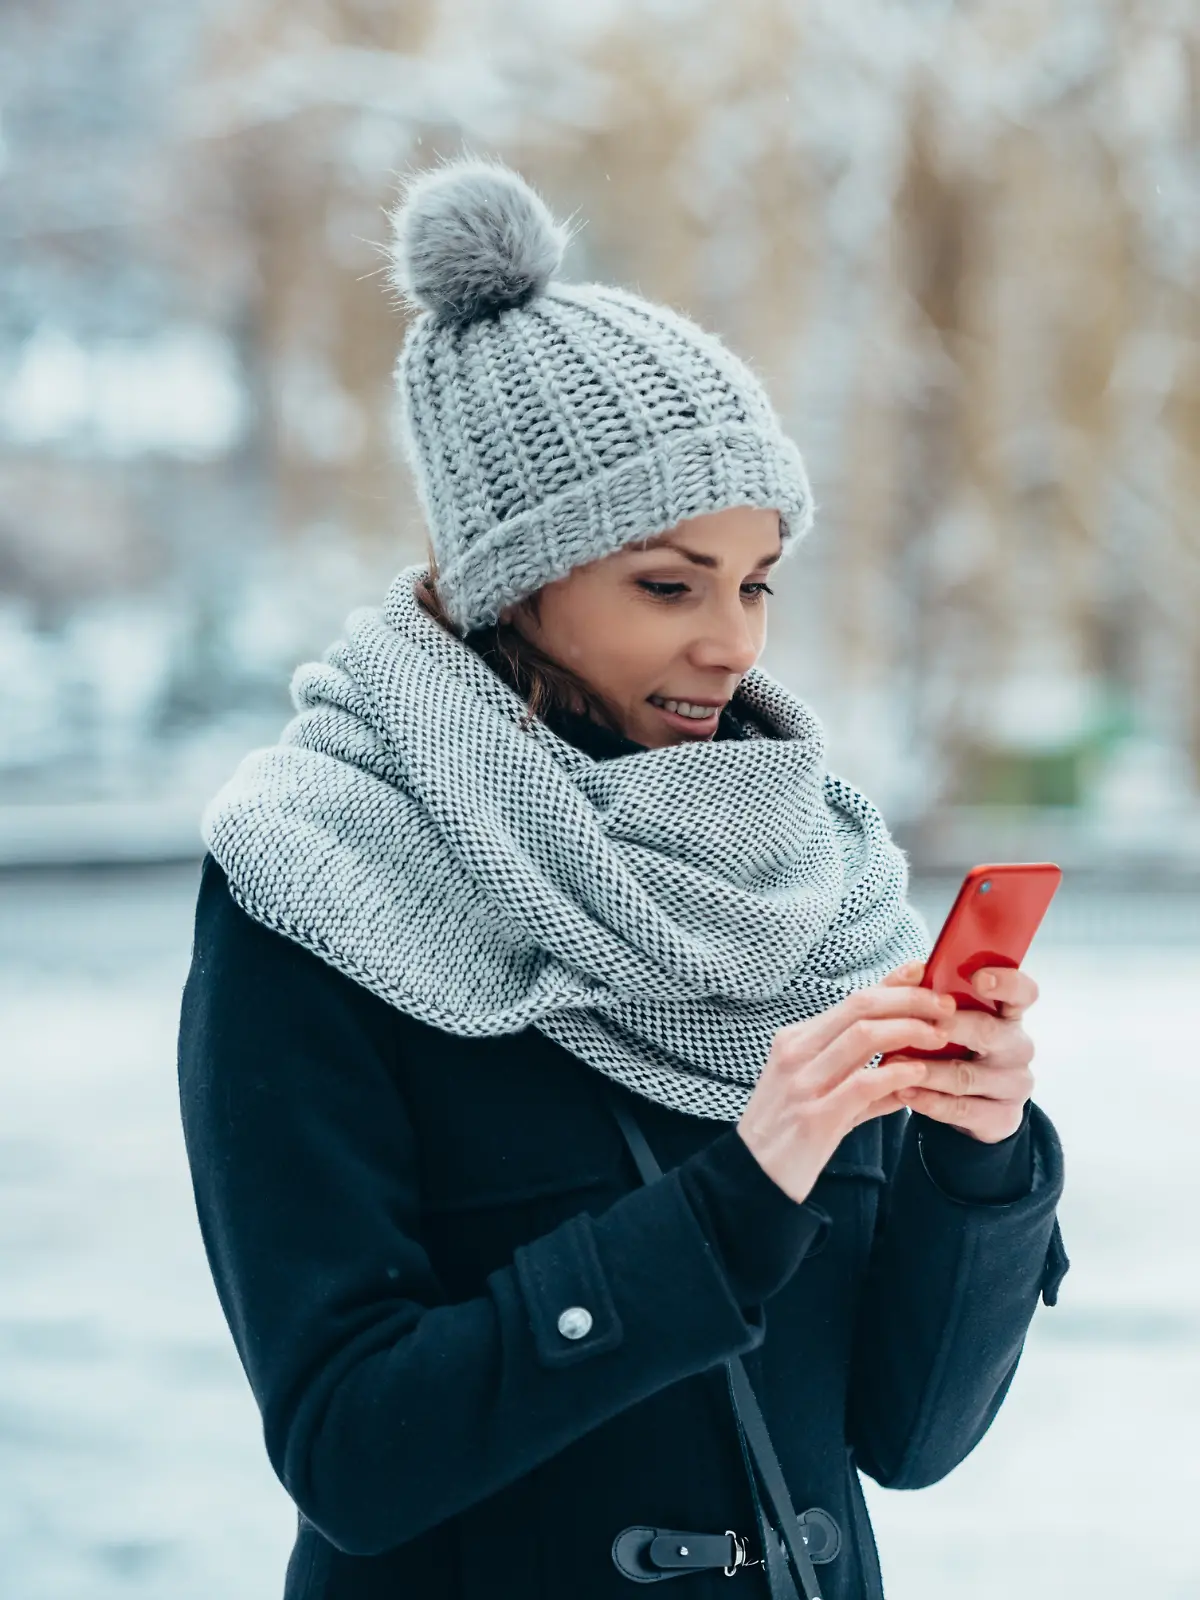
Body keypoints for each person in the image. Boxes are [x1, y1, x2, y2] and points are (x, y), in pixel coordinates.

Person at [176, 157, 1069, 1600]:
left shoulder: (813, 884)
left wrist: (983, 1162)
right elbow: (353, 1450)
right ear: (509, 580)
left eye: (758, 578)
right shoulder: (315, 879)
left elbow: (906, 1436)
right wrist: (740, 1190)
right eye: (671, 584)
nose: (736, 642)